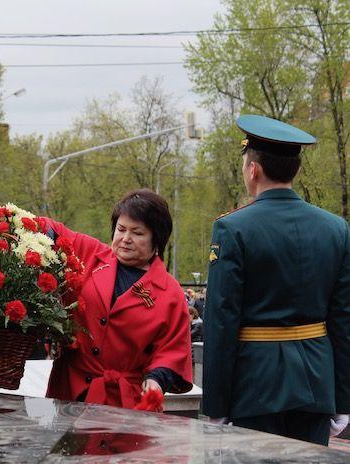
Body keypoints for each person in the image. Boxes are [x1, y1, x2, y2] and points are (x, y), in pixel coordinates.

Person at [202, 115, 350, 446]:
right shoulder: (336, 229)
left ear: (253, 170)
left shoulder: (233, 228)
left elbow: (222, 321)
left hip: (254, 385)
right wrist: (344, 402)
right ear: (295, 171)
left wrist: (216, 406)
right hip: (316, 383)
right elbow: (343, 320)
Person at [46, 189, 193, 409]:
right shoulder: (89, 254)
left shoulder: (170, 292)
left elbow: (173, 350)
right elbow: (50, 230)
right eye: (121, 229)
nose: (125, 239)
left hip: (126, 403)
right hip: (68, 390)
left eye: (137, 233)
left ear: (157, 240)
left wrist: (157, 379)